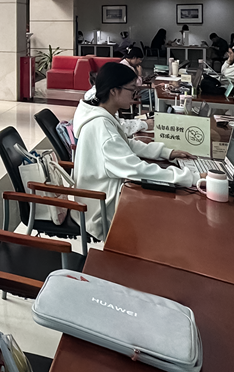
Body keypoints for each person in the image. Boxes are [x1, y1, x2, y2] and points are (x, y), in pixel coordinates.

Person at [73, 63, 200, 240]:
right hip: (100, 209)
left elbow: (126, 144)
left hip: (97, 195)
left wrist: (166, 153)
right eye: (131, 89)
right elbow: (136, 169)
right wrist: (191, 177)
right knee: (168, 210)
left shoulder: (101, 115)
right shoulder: (102, 127)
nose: (134, 95)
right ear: (114, 91)